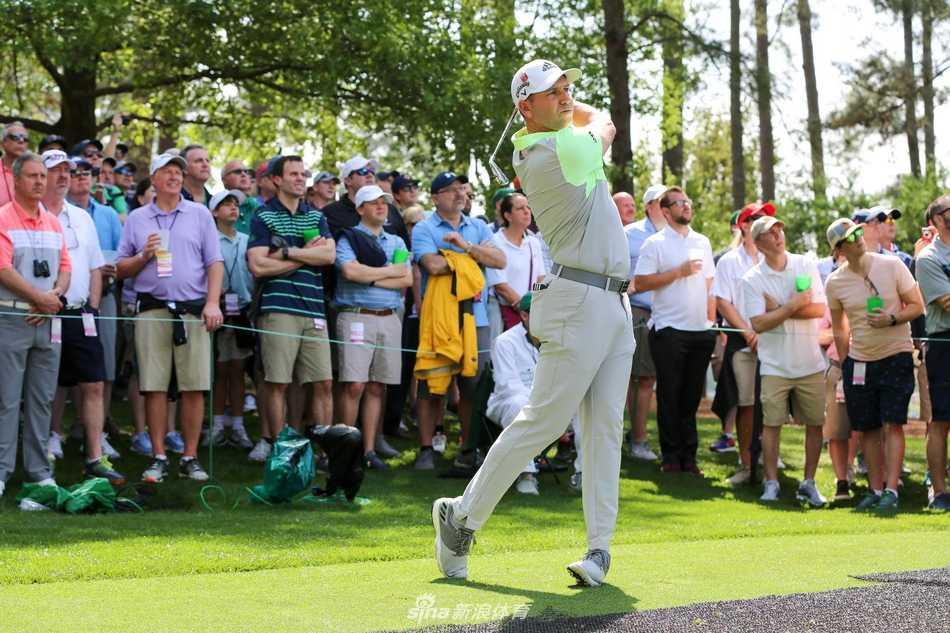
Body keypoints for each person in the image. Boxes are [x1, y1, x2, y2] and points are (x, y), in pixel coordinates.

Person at [433, 60, 634, 588]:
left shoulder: (563, 137)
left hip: (615, 302)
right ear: (526, 107)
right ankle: (461, 516)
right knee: (544, 421)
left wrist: (564, 103)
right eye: (553, 92)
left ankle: (599, 549)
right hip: (576, 300)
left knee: (605, 428)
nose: (566, 97)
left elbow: (592, 119)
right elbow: (607, 123)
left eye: (567, 88)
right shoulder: (545, 151)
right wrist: (577, 112)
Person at [116, 152, 224, 483]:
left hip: (193, 311)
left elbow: (215, 263)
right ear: (154, 179)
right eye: (168, 171)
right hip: (151, 310)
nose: (175, 176)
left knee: (193, 387)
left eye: (179, 170)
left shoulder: (200, 214)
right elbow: (121, 269)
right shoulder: (137, 218)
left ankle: (190, 456)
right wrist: (144, 256)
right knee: (154, 387)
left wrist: (212, 303)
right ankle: (159, 456)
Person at [825, 218, 924, 512]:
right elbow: (840, 329)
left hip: (896, 354)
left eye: (857, 232)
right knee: (866, 427)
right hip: (860, 361)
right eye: (849, 236)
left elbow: (917, 305)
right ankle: (875, 490)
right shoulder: (835, 282)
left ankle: (891, 490)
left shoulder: (891, 265)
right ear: (839, 249)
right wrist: (845, 362)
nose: (857, 238)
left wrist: (891, 319)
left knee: (893, 423)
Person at [40, 150, 125, 485]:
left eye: (67, 171)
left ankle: (94, 457)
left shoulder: (83, 217)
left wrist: (91, 304)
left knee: (93, 383)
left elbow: (94, 267)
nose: (63, 176)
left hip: (81, 313)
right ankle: (45, 449)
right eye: (56, 171)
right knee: (45, 387)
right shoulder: (31, 215)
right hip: (43, 313)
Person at [412, 170, 505, 469]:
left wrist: (463, 248)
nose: (460, 194)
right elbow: (432, 264)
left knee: (472, 386)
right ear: (435, 197)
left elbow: (499, 260)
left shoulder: (477, 226)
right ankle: (427, 448)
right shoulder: (424, 228)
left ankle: (468, 449)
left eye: (462, 189)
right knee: (432, 383)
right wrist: (474, 259)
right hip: (439, 318)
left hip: (476, 318)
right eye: (451, 190)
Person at [247, 155, 336, 445]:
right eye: (293, 174)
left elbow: (328, 256)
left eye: (303, 174)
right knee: (278, 383)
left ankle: (326, 455)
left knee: (323, 382)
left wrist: (286, 252)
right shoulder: (263, 216)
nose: (300, 178)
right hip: (277, 309)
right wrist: (305, 254)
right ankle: (279, 452)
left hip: (314, 310)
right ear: (277, 180)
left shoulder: (316, 216)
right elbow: (258, 265)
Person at [741, 216, 827, 505]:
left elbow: (817, 309)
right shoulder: (752, 279)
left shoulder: (805, 264)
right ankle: (771, 482)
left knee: (816, 424)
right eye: (770, 231)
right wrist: (792, 304)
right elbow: (758, 324)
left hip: (811, 363)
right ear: (758, 242)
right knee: (772, 425)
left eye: (779, 229)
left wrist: (777, 309)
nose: (778, 235)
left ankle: (809, 482)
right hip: (774, 365)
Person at [0, 153, 72, 498]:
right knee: (7, 399)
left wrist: (54, 295)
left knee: (42, 399)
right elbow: (3, 269)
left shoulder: (54, 222)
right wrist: (39, 298)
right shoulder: (2, 218)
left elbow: (66, 267)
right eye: (32, 176)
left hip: (47, 320)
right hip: (12, 317)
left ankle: (38, 473)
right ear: (16, 180)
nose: (40, 182)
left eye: (43, 176)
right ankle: (1, 472)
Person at [635, 186, 716, 475]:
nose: (686, 206)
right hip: (668, 329)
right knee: (670, 394)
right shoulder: (654, 244)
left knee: (692, 397)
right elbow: (641, 283)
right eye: (679, 203)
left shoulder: (702, 242)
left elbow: (709, 285)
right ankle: (670, 457)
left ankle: (689, 458)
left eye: (687, 201)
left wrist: (711, 323)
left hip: (699, 330)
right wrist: (677, 273)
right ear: (666, 212)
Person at [334, 185, 413, 470]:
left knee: (378, 387)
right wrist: (388, 272)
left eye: (384, 202)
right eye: (374, 202)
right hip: (357, 316)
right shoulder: (349, 239)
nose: (382, 206)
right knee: (354, 385)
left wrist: (369, 277)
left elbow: (405, 280)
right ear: (360, 208)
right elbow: (349, 271)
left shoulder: (397, 242)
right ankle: (345, 448)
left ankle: (367, 451)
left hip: (389, 317)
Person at [710, 201, 773, 485]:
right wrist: (748, 332)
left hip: (773, 341)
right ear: (744, 226)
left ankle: (769, 460)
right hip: (742, 341)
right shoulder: (729, 261)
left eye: (768, 219)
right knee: (746, 404)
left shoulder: (774, 259)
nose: (765, 224)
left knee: (772, 404)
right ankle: (747, 464)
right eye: (758, 219)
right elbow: (722, 301)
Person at [208, 189, 255, 450]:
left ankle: (237, 425)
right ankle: (216, 425)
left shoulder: (247, 240)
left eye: (235, 204)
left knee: (238, 369)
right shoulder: (210, 240)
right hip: (217, 308)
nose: (233, 208)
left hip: (242, 310)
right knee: (219, 370)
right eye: (226, 204)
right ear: (214, 212)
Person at [623, 184, 665, 462]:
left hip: (669, 315)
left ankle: (638, 436)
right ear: (650, 206)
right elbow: (618, 273)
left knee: (653, 379)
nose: (669, 206)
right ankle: (637, 440)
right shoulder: (631, 234)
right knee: (641, 378)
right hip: (640, 312)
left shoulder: (677, 236)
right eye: (663, 202)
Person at [916, 196, 950, 510]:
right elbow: (947, 303)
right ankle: (939, 492)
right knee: (940, 421)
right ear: (937, 219)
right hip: (944, 343)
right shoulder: (928, 258)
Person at [486, 192, 545, 331]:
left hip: (531, 314)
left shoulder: (533, 243)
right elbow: (500, 286)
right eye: (520, 208)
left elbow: (540, 278)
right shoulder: (495, 242)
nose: (527, 212)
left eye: (528, 207)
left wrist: (534, 302)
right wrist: (524, 307)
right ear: (507, 215)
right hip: (504, 314)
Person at [323, 156, 409, 244]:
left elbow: (406, 247)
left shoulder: (389, 209)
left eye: (372, 171)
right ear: (348, 181)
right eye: (363, 171)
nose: (370, 175)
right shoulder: (330, 213)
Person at [221, 160, 262, 235]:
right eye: (237, 172)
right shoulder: (218, 209)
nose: (243, 174)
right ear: (224, 180)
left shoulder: (261, 209)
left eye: (246, 172)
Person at [0, 122, 29, 207]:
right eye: (15, 137)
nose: (21, 141)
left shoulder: (34, 171)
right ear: (2, 143)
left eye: (25, 138)